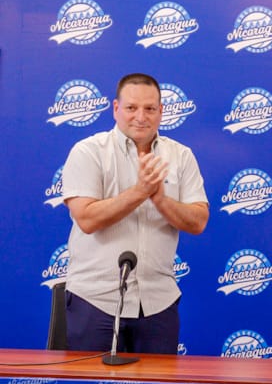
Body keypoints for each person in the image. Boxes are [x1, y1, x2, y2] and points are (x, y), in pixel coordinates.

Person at [62, 73, 209, 354]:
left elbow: (198, 221)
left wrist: (161, 200)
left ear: (161, 111)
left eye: (150, 108)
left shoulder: (181, 156)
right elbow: (87, 219)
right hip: (95, 301)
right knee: (92, 383)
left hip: (158, 303)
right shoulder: (88, 152)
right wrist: (141, 192)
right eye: (131, 108)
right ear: (116, 108)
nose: (141, 117)